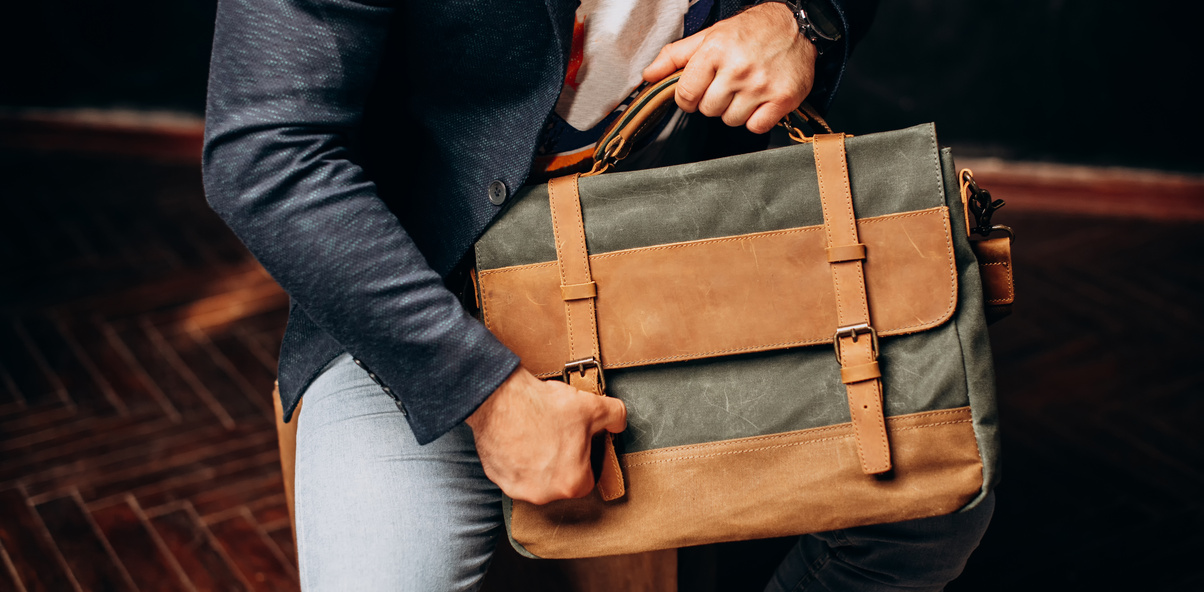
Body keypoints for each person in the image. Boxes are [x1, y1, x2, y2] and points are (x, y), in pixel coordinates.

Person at [203, 0, 991, 589]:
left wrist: (805, 18)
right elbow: (265, 154)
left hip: (678, 260)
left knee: (931, 510)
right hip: (422, 289)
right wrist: (486, 396)